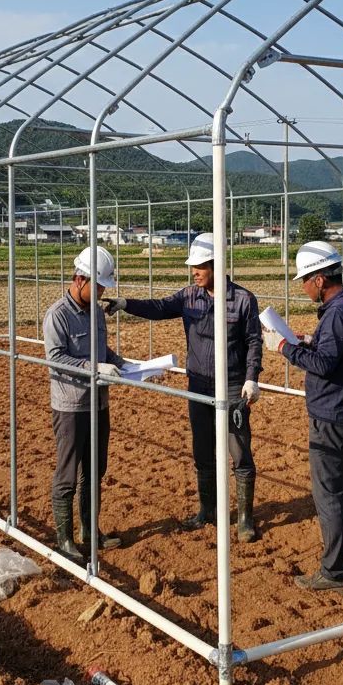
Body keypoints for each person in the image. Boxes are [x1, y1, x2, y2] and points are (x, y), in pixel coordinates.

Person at [104, 232, 263, 541]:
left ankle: (244, 519)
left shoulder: (243, 299)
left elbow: (254, 341)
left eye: (200, 266)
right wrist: (125, 303)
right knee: (202, 451)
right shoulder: (189, 296)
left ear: (217, 264)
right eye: (194, 267)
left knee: (239, 451)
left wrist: (251, 377)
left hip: (231, 386)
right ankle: (208, 511)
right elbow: (159, 307)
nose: (195, 272)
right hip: (198, 385)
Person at [264, 240, 343, 591]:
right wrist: (311, 339)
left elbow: (325, 364)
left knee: (329, 493)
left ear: (321, 279)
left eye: (305, 280)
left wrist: (284, 348)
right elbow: (338, 350)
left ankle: (333, 572)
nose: (303, 287)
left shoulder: (337, 313)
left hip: (331, 417)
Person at [42, 245, 125, 561]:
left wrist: (130, 366)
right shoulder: (58, 316)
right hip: (71, 406)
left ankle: (90, 531)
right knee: (67, 472)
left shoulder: (95, 313)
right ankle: (64, 539)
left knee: (95, 470)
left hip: (99, 404)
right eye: (100, 285)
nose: (103, 291)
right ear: (80, 279)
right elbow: (56, 359)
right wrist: (95, 368)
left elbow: (106, 353)